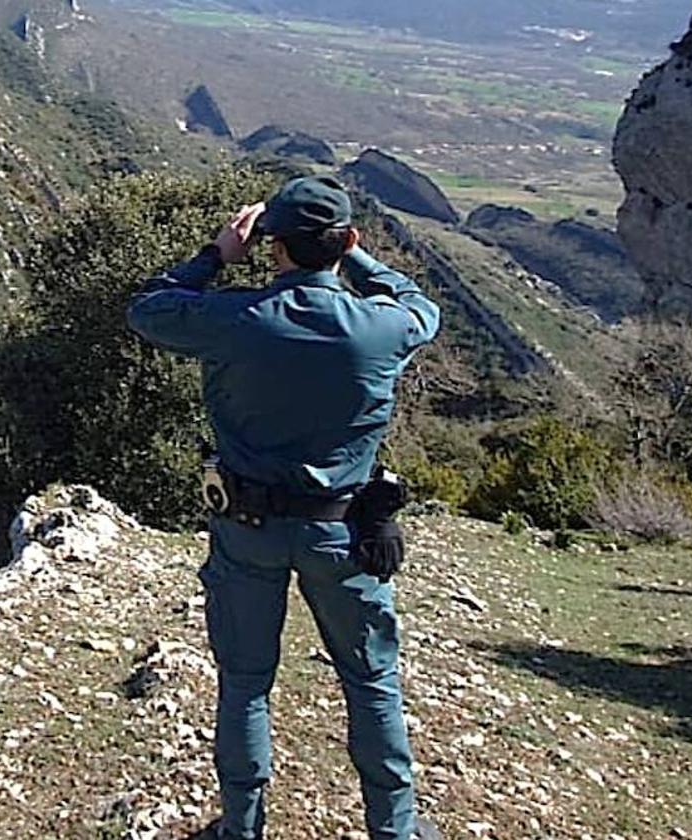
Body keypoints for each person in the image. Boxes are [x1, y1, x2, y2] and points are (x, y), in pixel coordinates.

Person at [127, 176, 441, 840]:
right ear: (346, 240)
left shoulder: (234, 320)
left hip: (248, 529)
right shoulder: (382, 328)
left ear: (270, 247)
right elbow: (420, 304)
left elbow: (150, 308)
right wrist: (352, 254)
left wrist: (215, 255)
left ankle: (241, 829)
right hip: (344, 533)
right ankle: (396, 829)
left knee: (245, 681)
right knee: (371, 681)